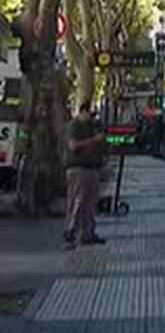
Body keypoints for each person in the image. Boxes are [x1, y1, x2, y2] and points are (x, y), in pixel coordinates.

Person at [64, 101, 106, 249]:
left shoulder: (92, 127)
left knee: (91, 202)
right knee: (78, 200)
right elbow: (73, 146)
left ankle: (88, 233)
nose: (92, 117)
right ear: (83, 111)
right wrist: (93, 141)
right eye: (90, 114)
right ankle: (71, 230)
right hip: (78, 168)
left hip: (92, 168)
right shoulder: (74, 126)